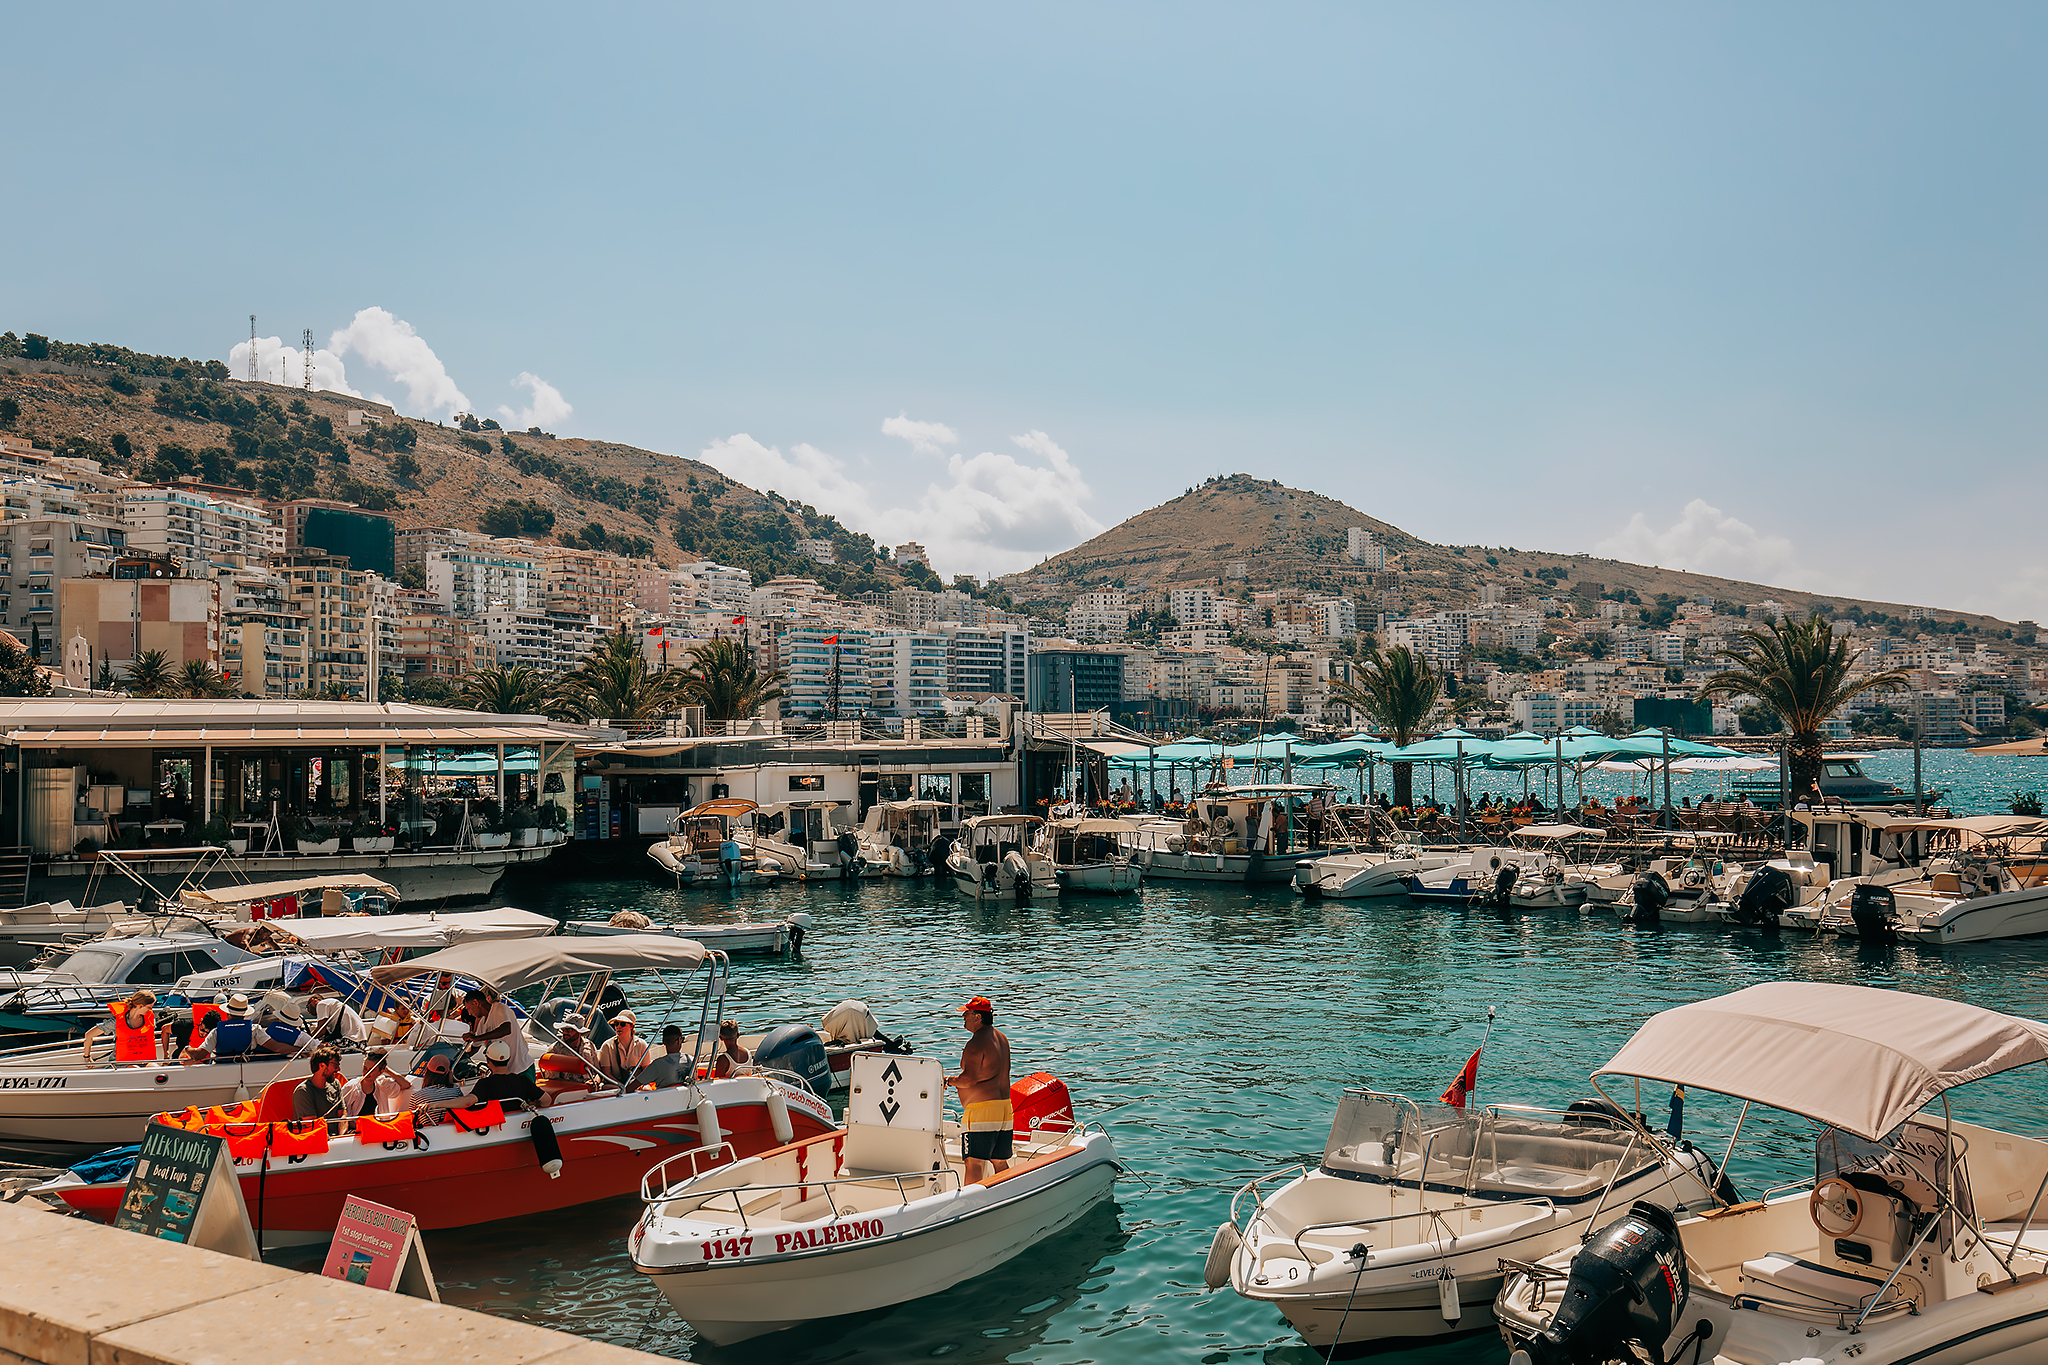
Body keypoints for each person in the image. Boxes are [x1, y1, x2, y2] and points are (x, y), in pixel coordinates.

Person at [943, 995, 1012, 1183]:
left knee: (974, 1162)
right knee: (999, 1160)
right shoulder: (1002, 1039)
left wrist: (948, 1081)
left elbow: (968, 1079)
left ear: (978, 1017)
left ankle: (970, 1205)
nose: (963, 1017)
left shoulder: (976, 1043)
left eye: (966, 1013)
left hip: (983, 1111)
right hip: (1004, 1107)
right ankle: (1006, 1197)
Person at [457, 988, 530, 1075]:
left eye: (468, 1009)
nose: (469, 1013)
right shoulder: (482, 1023)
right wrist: (458, 1058)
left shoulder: (500, 1008)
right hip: (505, 1073)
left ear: (476, 1003)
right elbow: (475, 1048)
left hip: (522, 1069)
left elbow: (506, 1029)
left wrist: (477, 1038)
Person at [81, 989, 156, 1064]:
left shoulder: (150, 1018)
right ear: (140, 1006)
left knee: (155, 1068)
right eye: (149, 1007)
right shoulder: (116, 1022)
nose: (151, 1010)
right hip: (121, 1064)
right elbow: (89, 1034)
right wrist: (87, 1057)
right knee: (134, 1069)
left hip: (144, 1061)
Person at [184, 993, 262, 1064]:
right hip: (247, 1070)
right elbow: (274, 1048)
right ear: (245, 1013)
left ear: (228, 1013)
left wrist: (186, 1049)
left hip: (220, 1071)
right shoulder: (255, 1030)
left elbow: (198, 1055)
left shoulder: (216, 1033)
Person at [470, 1040, 549, 1109]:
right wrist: (535, 1104)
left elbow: (469, 1101)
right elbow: (547, 1100)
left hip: (496, 1123)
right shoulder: (523, 1081)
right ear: (509, 1058)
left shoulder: (484, 1084)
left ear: (488, 1060)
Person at [537, 1015, 601, 1098]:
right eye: (563, 1029)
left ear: (579, 1032)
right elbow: (553, 1080)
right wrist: (579, 1086)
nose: (565, 1032)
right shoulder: (554, 1049)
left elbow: (598, 1071)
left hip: (592, 1090)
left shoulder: (590, 1045)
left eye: (569, 1030)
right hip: (569, 1093)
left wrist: (595, 1081)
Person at [342, 1046, 414, 1118]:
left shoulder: (382, 1085)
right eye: (365, 1067)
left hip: (379, 1126)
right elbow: (342, 1112)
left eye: (371, 1069)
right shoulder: (351, 1087)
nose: (366, 1072)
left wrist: (387, 1070)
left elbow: (406, 1085)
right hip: (357, 1127)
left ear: (380, 1072)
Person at [292, 1046, 346, 1124]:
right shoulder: (303, 1091)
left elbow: (343, 1115)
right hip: (317, 1135)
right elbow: (313, 1126)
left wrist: (341, 1136)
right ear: (322, 1066)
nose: (338, 1069)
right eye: (335, 1065)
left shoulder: (336, 1084)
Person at [595, 1009, 651, 1081]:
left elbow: (646, 1071)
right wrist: (621, 1086)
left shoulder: (642, 1045)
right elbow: (606, 1073)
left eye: (622, 1024)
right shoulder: (607, 1046)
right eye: (616, 1024)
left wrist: (635, 1085)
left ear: (631, 1026)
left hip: (636, 1084)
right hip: (615, 1085)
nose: (618, 1026)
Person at [408, 1052, 468, 1117]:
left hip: (428, 1126)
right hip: (453, 1124)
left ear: (427, 1072)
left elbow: (412, 1118)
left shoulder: (416, 1096)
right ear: (448, 1073)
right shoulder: (456, 1090)